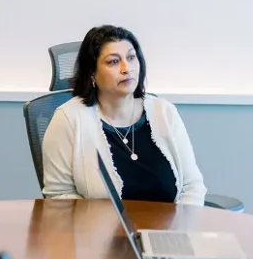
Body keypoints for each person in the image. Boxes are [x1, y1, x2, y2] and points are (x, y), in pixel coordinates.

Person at [41, 25, 207, 205]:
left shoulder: (164, 112)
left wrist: (180, 226)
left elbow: (192, 186)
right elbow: (59, 195)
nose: (126, 68)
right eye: (113, 61)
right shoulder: (68, 118)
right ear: (92, 73)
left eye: (131, 57)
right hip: (98, 232)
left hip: (165, 230)